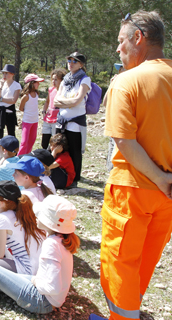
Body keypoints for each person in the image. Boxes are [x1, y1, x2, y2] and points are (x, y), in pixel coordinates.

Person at [89, 11, 172, 320]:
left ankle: (123, 316)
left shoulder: (126, 81)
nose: (117, 49)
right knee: (147, 259)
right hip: (167, 196)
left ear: (139, 38)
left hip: (133, 188)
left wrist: (159, 178)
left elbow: (124, 141)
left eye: (121, 41)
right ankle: (131, 311)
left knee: (121, 261)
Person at [54, 52, 92, 189]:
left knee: (75, 150)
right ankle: (60, 173)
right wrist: (69, 102)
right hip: (62, 119)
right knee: (59, 148)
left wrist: (67, 102)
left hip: (75, 122)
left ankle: (74, 178)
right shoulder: (65, 80)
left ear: (81, 64)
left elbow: (78, 100)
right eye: (69, 60)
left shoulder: (85, 80)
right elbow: (56, 100)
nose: (70, 63)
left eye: (74, 61)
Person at [0, 64, 22, 161]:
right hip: (0, 110)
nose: (4, 75)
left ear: (12, 74)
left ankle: (12, 152)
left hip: (9, 111)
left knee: (11, 133)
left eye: (7, 73)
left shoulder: (16, 85)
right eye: (3, 73)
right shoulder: (0, 83)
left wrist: (1, 99)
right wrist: (1, 86)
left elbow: (13, 100)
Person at [103, 63, 126, 172]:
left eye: (123, 69)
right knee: (112, 149)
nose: (120, 72)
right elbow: (105, 102)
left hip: (125, 126)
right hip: (114, 124)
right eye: (120, 70)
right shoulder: (116, 85)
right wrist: (111, 86)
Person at [18, 74, 44, 156]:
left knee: (32, 140)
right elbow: (21, 108)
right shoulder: (26, 96)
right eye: (37, 82)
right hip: (27, 121)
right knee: (24, 141)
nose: (38, 84)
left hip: (35, 121)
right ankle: (19, 157)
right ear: (31, 83)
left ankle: (27, 156)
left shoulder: (36, 94)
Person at [41, 68, 66, 149]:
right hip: (48, 118)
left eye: (56, 79)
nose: (53, 81)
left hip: (57, 119)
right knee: (44, 141)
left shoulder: (64, 92)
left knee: (54, 141)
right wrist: (44, 111)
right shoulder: (51, 90)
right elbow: (47, 101)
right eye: (52, 79)